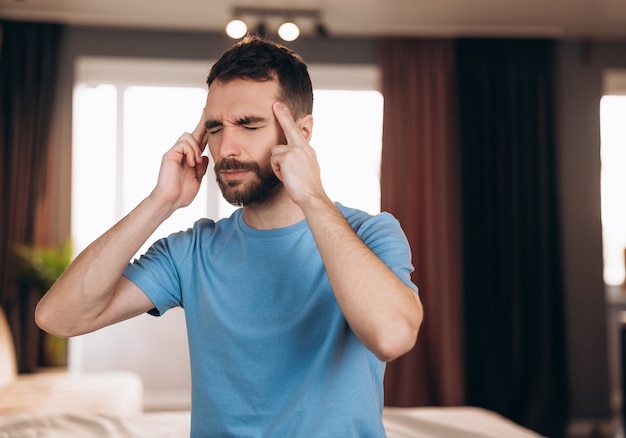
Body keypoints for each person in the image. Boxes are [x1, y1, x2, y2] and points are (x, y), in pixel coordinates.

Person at [35, 35, 423, 437]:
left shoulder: (371, 233)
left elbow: (392, 336)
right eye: (216, 127)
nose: (227, 146)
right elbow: (57, 317)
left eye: (249, 124)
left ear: (301, 133)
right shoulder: (192, 251)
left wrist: (310, 195)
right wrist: (160, 201)